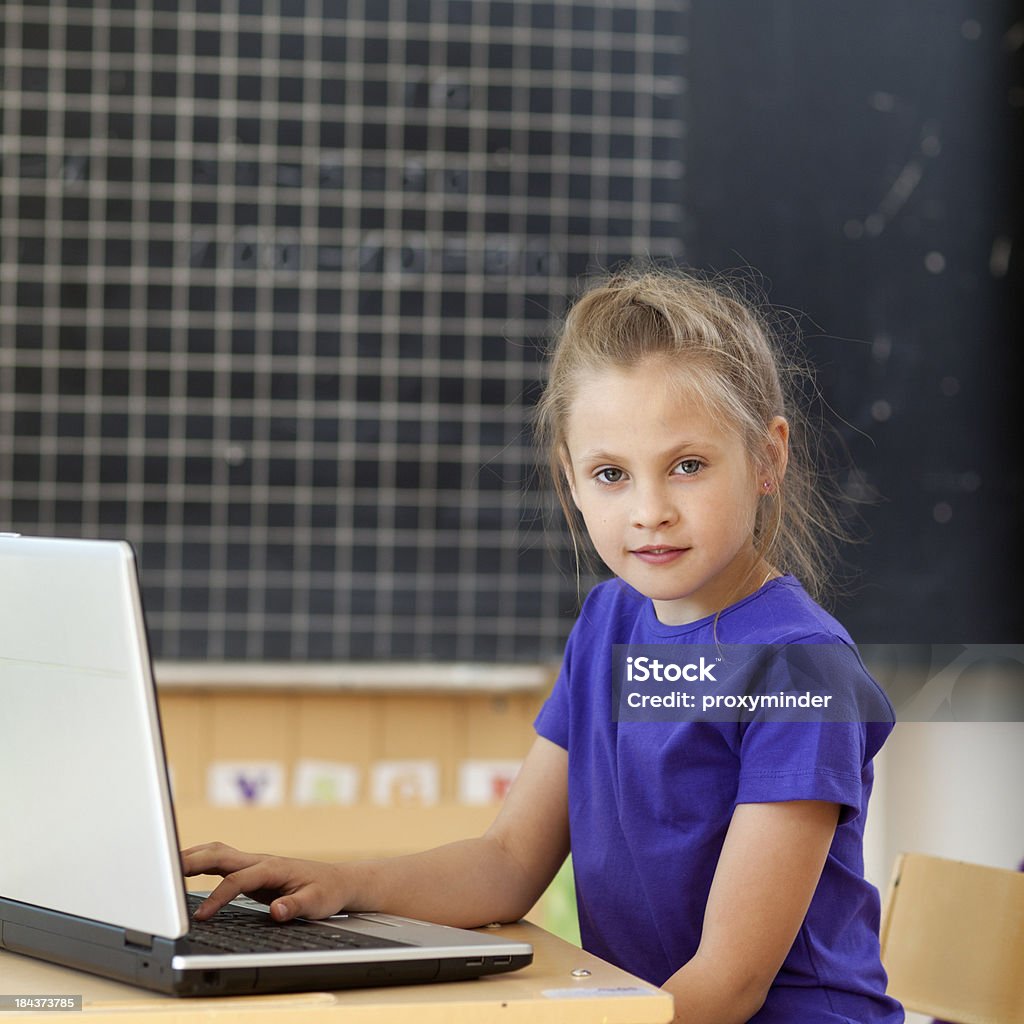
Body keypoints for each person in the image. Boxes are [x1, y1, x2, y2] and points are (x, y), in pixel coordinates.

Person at [183, 266, 904, 1024]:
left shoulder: (802, 667)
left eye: (687, 466)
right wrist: (336, 884)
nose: (650, 510)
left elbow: (728, 983)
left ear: (768, 458)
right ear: (571, 478)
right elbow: (507, 864)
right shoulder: (608, 624)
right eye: (610, 475)